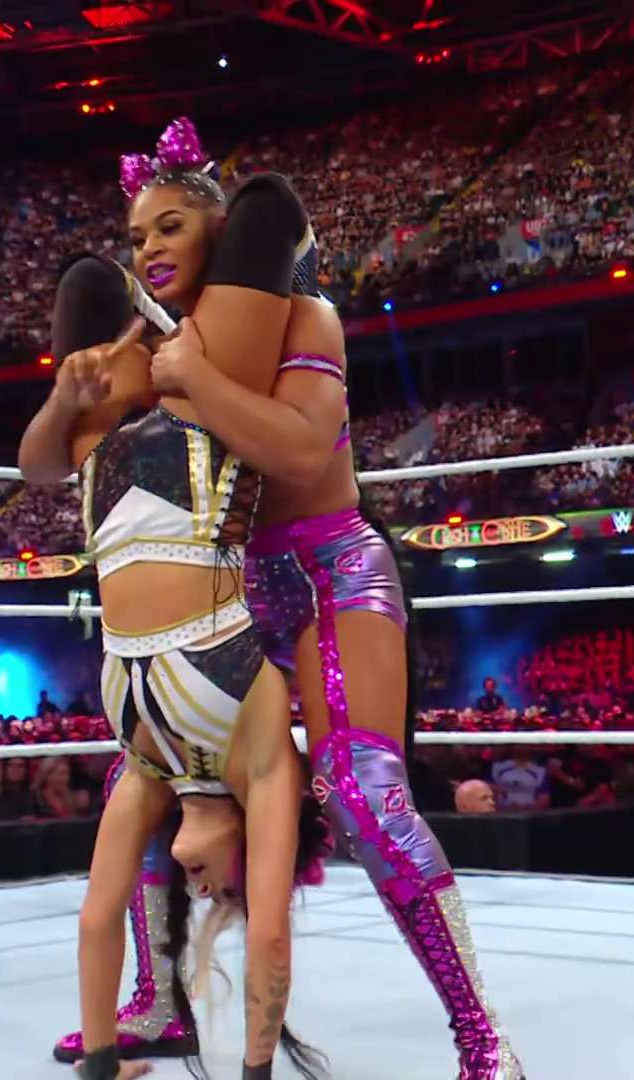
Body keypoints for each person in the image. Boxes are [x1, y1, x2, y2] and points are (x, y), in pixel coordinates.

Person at [139, 126, 524, 1077]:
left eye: (170, 225)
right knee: (141, 777)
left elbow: (303, 452)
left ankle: (484, 1042)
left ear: (224, 231)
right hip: (232, 597)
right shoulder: (160, 348)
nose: (148, 247)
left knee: (362, 792)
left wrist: (194, 380)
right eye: (136, 233)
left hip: (331, 574)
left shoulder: (306, 316)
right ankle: (153, 1002)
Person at [19, 117, 328, 1080]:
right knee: (254, 215)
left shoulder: (151, 770)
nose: (195, 883)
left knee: (90, 283)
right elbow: (268, 928)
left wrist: (102, 1064)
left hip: (136, 667)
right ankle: (226, 236)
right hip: (204, 637)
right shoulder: (264, 762)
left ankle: (219, 251)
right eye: (141, 232)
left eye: (168, 228)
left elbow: (95, 916)